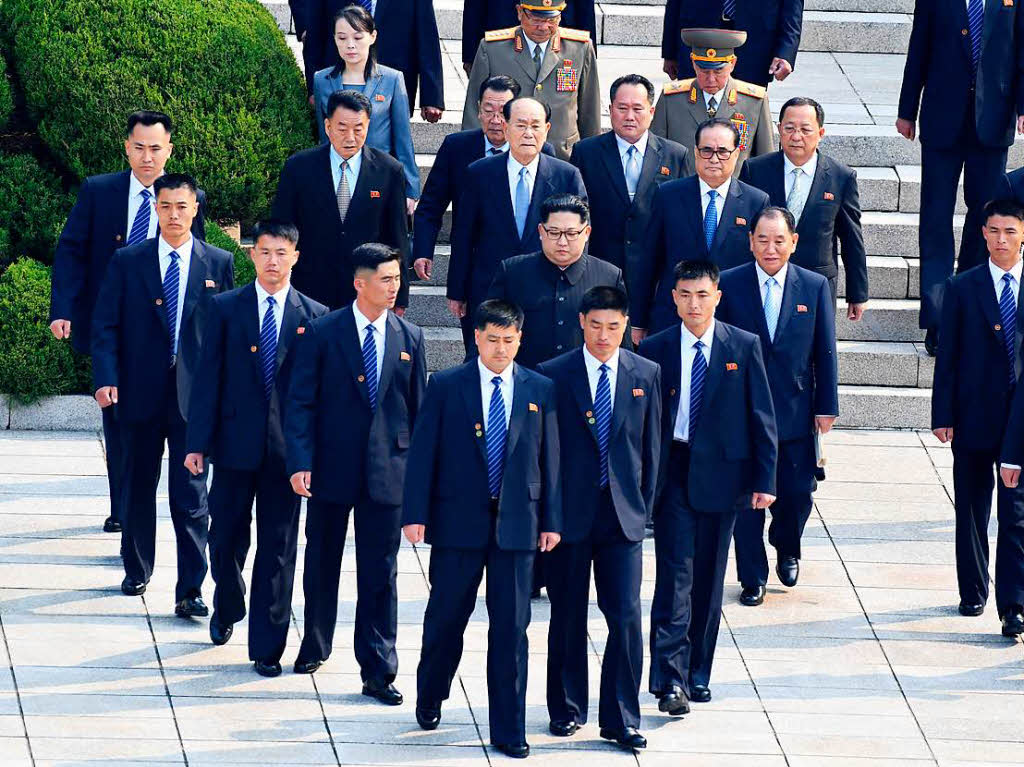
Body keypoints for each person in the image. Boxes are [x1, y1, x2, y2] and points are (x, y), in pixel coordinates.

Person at [403, 300, 561, 760]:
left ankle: (508, 727)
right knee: (445, 619)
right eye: (492, 339)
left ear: (520, 340)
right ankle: (430, 694)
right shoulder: (447, 385)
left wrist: (551, 520)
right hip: (457, 523)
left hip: (518, 526)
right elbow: (423, 454)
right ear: (476, 338)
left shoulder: (539, 388)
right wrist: (415, 513)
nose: (500, 349)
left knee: (512, 629)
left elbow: (551, 460)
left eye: (508, 341)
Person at [49, 110, 207, 535]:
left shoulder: (189, 198)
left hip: (167, 330)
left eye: (156, 148)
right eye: (139, 147)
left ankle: (168, 506)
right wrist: (63, 308)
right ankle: (123, 504)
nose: (147, 157)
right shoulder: (99, 192)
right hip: (114, 327)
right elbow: (71, 252)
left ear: (169, 149)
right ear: (126, 148)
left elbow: (200, 264)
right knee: (117, 419)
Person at [183, 221, 329, 677]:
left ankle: (268, 646)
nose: (272, 262)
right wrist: (197, 443)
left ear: (295, 257)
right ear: (251, 255)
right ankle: (227, 599)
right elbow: (207, 380)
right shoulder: (226, 308)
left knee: (279, 548)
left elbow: (318, 396)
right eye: (264, 252)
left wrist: (310, 456)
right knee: (225, 535)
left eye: (281, 253)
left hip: (287, 455)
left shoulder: (315, 316)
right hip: (232, 445)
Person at [285, 243, 427, 697]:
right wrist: (300, 461)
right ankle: (315, 643)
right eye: (384, 279)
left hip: (389, 472)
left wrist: (420, 481)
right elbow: (300, 402)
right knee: (322, 559)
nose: (393, 287)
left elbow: (418, 411)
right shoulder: (323, 332)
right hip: (331, 467)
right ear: (359, 283)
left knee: (381, 572)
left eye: (396, 278)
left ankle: (379, 667)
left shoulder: (410, 337)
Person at [90, 174, 234, 614]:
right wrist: (105, 377)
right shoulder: (128, 261)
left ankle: (191, 588)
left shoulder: (219, 262)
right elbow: (105, 325)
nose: (174, 215)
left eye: (182, 207)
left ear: (195, 210)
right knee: (137, 485)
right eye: (166, 206)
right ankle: (137, 569)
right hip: (138, 392)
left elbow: (226, 333)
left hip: (194, 400)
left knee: (191, 495)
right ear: (155, 208)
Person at [638, 259, 776, 712]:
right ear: (673, 297)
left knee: (709, 581)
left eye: (703, 295)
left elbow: (762, 417)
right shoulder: (656, 349)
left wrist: (764, 478)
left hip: (724, 477)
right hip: (674, 472)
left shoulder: (743, 345)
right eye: (685, 295)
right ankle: (668, 680)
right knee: (674, 578)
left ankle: (698, 671)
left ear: (717, 297)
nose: (694, 304)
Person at [537, 287, 661, 751]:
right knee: (567, 614)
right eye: (595, 325)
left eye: (613, 327)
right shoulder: (553, 376)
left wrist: (643, 508)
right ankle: (567, 708)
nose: (604, 335)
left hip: (623, 518)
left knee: (626, 617)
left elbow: (652, 450)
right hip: (569, 517)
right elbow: (545, 454)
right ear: (581, 323)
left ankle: (622, 717)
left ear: (626, 325)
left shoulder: (644, 373)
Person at [716, 207, 838, 606]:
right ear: (750, 241)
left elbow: (825, 349)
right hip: (743, 411)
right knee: (746, 498)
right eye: (763, 239)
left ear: (794, 242)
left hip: (795, 408)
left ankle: (787, 546)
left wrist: (826, 406)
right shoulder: (730, 284)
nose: (771, 248)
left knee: (797, 492)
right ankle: (752, 576)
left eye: (779, 240)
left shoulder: (814, 285)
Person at [897, 0, 1024, 356]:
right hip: (942, 119)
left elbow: (1021, 53)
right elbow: (918, 46)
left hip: (993, 122)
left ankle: (965, 305)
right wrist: (907, 109)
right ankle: (938, 317)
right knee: (935, 217)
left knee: (985, 216)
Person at [933, 199, 1024, 638]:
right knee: (971, 505)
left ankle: (1014, 603)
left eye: (1009, 231)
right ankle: (973, 588)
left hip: (1020, 421)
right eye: (993, 231)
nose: (1001, 239)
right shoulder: (962, 287)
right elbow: (947, 356)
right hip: (973, 414)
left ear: (1022, 234)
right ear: (982, 234)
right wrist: (942, 413)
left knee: (1017, 513)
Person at [449, 97, 587, 355]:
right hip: (489, 286)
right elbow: (463, 234)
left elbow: (580, 236)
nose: (528, 133)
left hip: (546, 287)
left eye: (536, 126)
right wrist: (457, 290)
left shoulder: (566, 175)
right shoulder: (479, 173)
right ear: (506, 126)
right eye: (521, 125)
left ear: (547, 130)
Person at [630, 117, 770, 338]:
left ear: (736, 154)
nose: (714, 158)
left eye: (723, 151)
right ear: (696, 152)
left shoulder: (756, 201)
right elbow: (648, 259)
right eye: (706, 150)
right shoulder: (669, 195)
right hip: (674, 317)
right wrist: (638, 320)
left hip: (732, 318)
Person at [272, 90, 409, 311]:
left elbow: (397, 236)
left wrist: (400, 297)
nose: (350, 137)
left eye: (358, 129)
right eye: (342, 128)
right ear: (327, 126)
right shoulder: (299, 167)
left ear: (368, 126)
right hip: (309, 286)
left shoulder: (388, 170)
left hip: (365, 288)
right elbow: (281, 228)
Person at [412, 76, 556, 285]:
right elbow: (431, 205)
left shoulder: (542, 151)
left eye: (503, 112)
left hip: (529, 265)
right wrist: (423, 250)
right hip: (476, 264)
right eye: (489, 111)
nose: (496, 120)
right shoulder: (457, 147)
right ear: (479, 110)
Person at [570, 74, 692, 301]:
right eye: (622, 108)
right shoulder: (586, 153)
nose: (629, 117)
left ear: (652, 112)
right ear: (610, 109)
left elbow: (681, 216)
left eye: (638, 109)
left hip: (653, 273)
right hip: (600, 268)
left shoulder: (675, 155)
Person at [741, 97, 868, 315]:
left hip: (817, 282)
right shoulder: (755, 170)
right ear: (779, 129)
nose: (796, 136)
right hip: (763, 278)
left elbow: (851, 237)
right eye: (789, 128)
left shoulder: (841, 177)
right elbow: (742, 231)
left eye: (805, 129)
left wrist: (858, 294)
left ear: (820, 133)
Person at [487, 195, 629, 369]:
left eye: (571, 233)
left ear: (586, 233)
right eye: (554, 233)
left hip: (585, 387)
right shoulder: (512, 272)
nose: (562, 242)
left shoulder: (609, 276)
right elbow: (488, 331)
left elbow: (623, 348)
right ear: (540, 231)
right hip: (526, 384)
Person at [461, 1, 600, 159]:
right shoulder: (492, 49)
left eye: (551, 20)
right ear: (520, 12)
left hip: (562, 156)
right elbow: (474, 109)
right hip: (505, 156)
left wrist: (592, 157)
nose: (543, 27)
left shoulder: (580, 48)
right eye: (536, 19)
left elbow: (590, 110)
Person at [312, 6, 419, 210]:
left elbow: (403, 138)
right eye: (342, 38)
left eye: (358, 37)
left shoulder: (392, 79)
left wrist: (410, 188)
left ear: (372, 36)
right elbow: (323, 135)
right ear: (334, 39)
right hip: (339, 175)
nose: (350, 45)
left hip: (380, 175)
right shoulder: (322, 80)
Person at [290, 0, 444, 123]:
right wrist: (313, 87)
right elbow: (315, 32)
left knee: (390, 153)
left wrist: (432, 96)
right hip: (337, 76)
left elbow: (426, 34)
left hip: (392, 81)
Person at [652, 29, 772, 178]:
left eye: (718, 71)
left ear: (733, 63)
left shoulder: (754, 101)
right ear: (693, 63)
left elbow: (766, 160)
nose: (710, 79)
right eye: (703, 70)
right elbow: (656, 152)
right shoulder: (672, 99)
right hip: (683, 192)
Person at [661, 0, 802, 87]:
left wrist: (785, 52)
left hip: (755, 44)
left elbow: (792, 9)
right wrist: (670, 52)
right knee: (692, 113)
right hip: (697, 37)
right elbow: (674, 4)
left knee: (745, 116)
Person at [462, 0, 596, 75]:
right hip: (501, 33)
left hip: (556, 33)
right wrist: (471, 55)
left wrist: (589, 58)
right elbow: (474, 6)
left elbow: (585, 7)